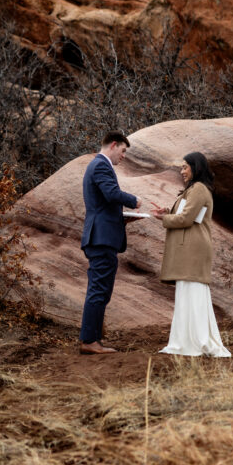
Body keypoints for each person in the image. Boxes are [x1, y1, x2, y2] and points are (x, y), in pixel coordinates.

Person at [152, 152, 230, 357]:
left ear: (196, 168)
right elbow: (187, 215)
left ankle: (194, 343)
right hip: (190, 249)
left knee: (192, 293)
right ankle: (189, 341)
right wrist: (167, 212)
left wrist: (165, 219)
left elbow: (186, 219)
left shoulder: (198, 189)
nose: (182, 171)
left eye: (185, 167)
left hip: (193, 250)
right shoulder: (195, 189)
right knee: (189, 294)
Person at [79, 130, 142, 355]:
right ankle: (89, 341)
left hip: (100, 236)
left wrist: (122, 219)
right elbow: (111, 193)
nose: (123, 156)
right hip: (101, 238)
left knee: (100, 289)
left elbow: (103, 204)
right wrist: (134, 201)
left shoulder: (96, 166)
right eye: (123, 151)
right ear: (113, 145)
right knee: (99, 289)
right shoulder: (101, 165)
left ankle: (92, 337)